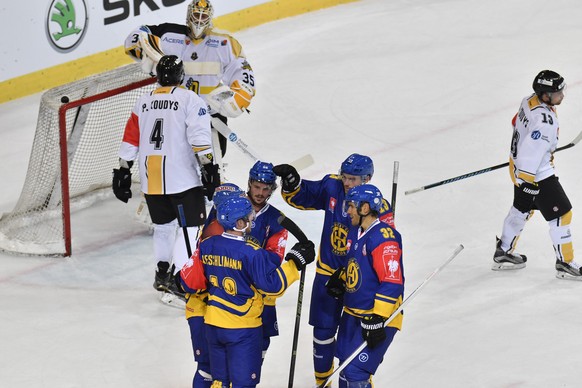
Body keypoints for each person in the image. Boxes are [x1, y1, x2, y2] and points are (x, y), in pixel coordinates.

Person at [273, 153, 394, 387]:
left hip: (359, 281)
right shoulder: (332, 186)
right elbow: (305, 195)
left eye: (352, 179)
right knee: (322, 331)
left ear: (367, 179)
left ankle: (360, 374)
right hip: (328, 272)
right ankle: (323, 383)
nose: (346, 183)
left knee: (354, 337)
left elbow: (382, 251)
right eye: (345, 177)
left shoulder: (379, 208)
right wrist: (292, 184)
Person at [112, 55, 221, 297]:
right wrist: (210, 169)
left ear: (158, 76)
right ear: (181, 76)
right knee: (190, 229)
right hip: (182, 179)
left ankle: (162, 273)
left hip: (151, 179)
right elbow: (199, 139)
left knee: (163, 227)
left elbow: (130, 140)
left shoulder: (143, 102)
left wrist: (122, 171)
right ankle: (180, 279)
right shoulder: (190, 100)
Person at [180, 196, 316, 387]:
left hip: (213, 325)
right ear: (239, 222)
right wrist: (295, 262)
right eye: (248, 216)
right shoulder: (252, 252)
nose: (253, 219)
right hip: (242, 329)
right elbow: (273, 286)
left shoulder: (207, 245)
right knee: (243, 384)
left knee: (219, 382)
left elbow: (191, 281)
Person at [124, 0, 256, 157]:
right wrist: (142, 47)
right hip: (173, 113)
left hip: (210, 115)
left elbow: (243, 70)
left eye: (203, 16)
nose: (199, 20)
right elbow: (134, 38)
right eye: (196, 15)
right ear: (189, 15)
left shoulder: (225, 43)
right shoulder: (168, 34)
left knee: (214, 164)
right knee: (174, 161)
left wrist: (241, 94)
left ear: (210, 18)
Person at [493, 70, 581, 280]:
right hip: (536, 174)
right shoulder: (544, 123)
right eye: (557, 92)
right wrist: (526, 180)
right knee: (562, 215)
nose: (562, 95)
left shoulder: (528, 101)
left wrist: (541, 148)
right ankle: (565, 263)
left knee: (521, 209)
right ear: (544, 94)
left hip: (517, 167)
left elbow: (516, 123)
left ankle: (503, 251)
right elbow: (531, 153)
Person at [325, 184, 404, 388]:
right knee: (344, 366)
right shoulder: (355, 232)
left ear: (365, 208)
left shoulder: (384, 238)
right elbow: (359, 268)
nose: (348, 211)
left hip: (377, 318)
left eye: (352, 206)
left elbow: (392, 281)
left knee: (355, 371)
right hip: (352, 314)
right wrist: (341, 279)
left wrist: (378, 318)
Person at [182, 182, 246, 388]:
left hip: (209, 310)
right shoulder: (218, 232)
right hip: (204, 310)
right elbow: (191, 283)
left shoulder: (216, 221)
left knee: (215, 370)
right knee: (208, 369)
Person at [245, 161, 289, 361]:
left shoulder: (277, 220)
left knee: (259, 349)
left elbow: (273, 261)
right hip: (229, 291)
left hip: (261, 296)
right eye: (256, 187)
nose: (260, 192)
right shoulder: (231, 207)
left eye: (265, 189)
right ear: (249, 184)